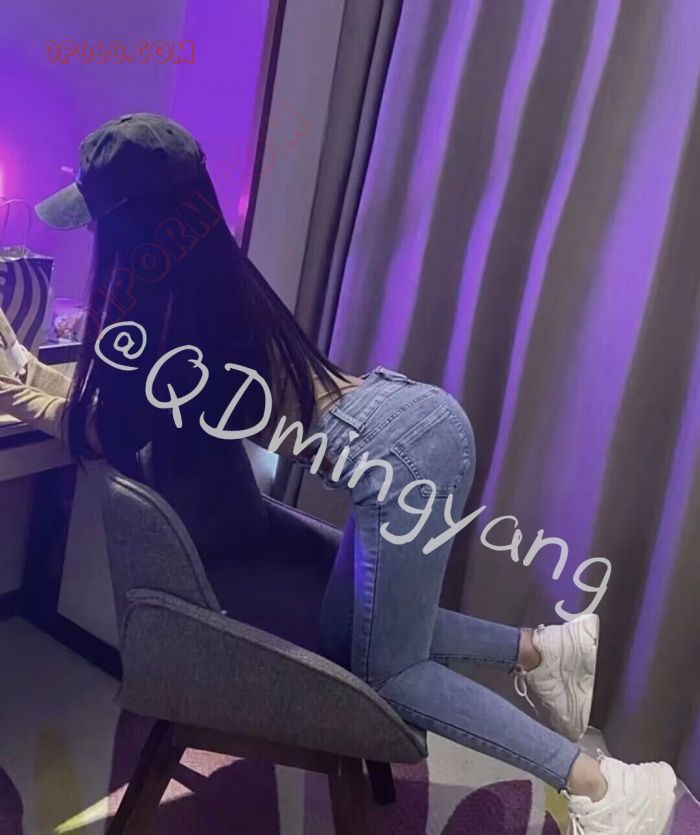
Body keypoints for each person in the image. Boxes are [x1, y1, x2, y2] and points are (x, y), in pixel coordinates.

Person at [0, 114, 677, 834]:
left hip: (397, 459)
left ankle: (603, 787)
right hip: (417, 421)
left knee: (391, 673)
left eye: (97, 218)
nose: (92, 235)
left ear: (131, 222)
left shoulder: (172, 315)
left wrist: (16, 389)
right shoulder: (208, 279)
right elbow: (119, 410)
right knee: (370, 628)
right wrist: (27, 368)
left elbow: (109, 429)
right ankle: (542, 651)